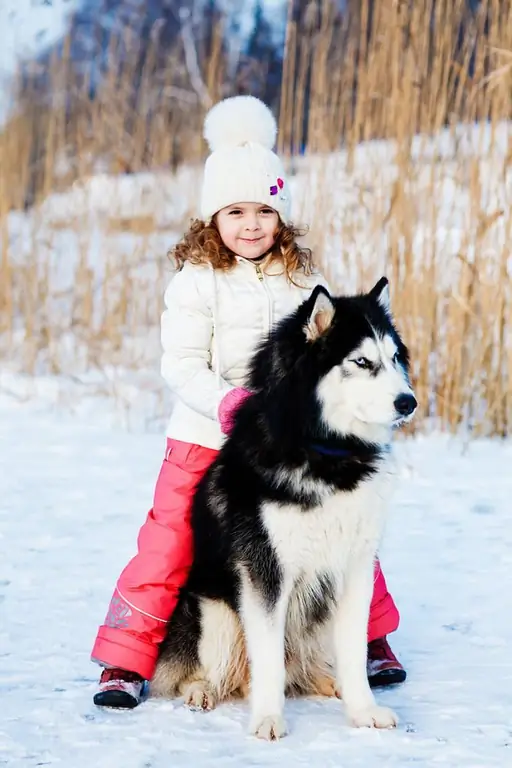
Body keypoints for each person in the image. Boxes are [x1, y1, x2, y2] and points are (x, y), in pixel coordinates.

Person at [91, 95, 406, 709]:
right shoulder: (196, 281)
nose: (251, 224)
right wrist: (229, 402)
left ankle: (368, 640)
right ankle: (126, 658)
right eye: (235, 211)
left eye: (265, 210)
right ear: (213, 219)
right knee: (170, 542)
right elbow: (180, 364)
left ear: (281, 217)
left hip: (278, 442)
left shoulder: (297, 281)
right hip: (204, 437)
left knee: (344, 531)